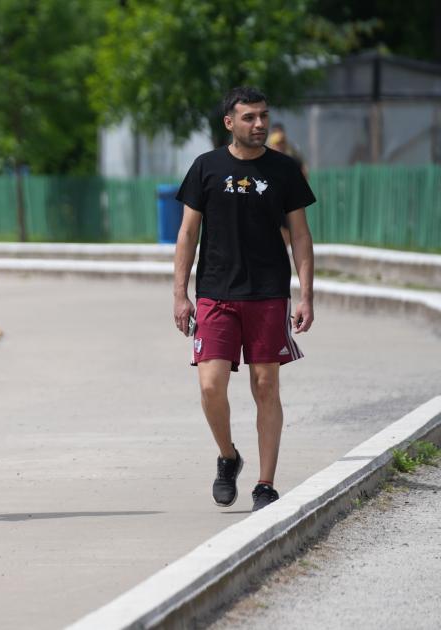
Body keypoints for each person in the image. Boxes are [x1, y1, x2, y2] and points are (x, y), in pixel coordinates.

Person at [172, 86, 316, 512]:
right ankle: (228, 456)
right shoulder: (206, 167)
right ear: (229, 123)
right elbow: (187, 234)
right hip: (215, 292)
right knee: (211, 385)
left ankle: (266, 484)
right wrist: (180, 294)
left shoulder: (284, 170)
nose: (259, 124)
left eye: (264, 116)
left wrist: (305, 294)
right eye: (250, 117)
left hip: (268, 292)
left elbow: (302, 236)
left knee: (266, 385)